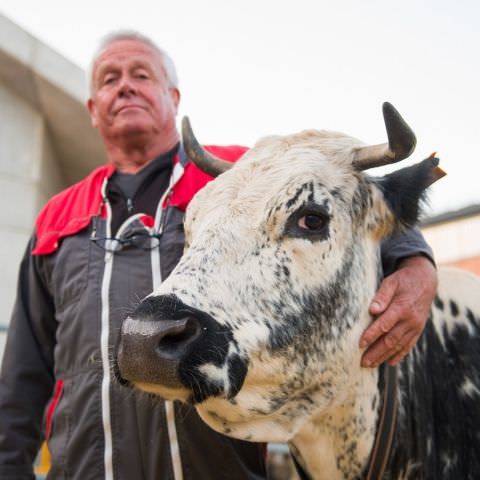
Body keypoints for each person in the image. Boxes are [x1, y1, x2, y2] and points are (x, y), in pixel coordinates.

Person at [0, 30, 437, 480]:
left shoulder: (249, 175)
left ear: (172, 96)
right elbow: (24, 368)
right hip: (84, 468)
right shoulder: (58, 216)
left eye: (141, 75)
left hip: (215, 468)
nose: (125, 85)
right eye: (109, 79)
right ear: (93, 109)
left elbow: (336, 203)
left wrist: (415, 259)